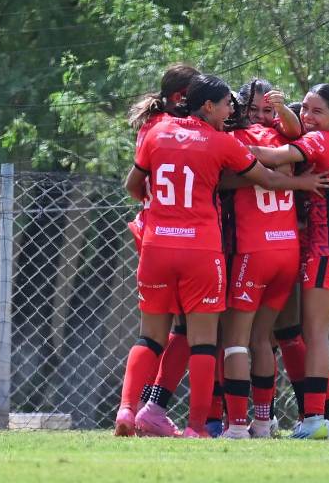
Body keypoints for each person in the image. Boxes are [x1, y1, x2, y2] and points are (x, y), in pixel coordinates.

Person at [123, 74, 329, 438]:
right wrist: (300, 182)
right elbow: (269, 172)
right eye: (230, 105)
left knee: (163, 337)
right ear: (205, 104)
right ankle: (249, 422)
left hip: (164, 244)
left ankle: (137, 410)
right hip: (241, 248)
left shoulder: (158, 131)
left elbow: (134, 185)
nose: (233, 112)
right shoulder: (240, 140)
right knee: (248, 337)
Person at [248, 83, 329, 440]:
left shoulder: (321, 140)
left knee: (316, 333)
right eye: (304, 108)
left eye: (316, 111)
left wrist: (228, 145)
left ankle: (314, 420)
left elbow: (274, 158)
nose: (307, 116)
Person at [115, 63, 200, 437]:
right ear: (183, 98)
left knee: (151, 333)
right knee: (185, 329)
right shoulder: (183, 129)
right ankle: (157, 409)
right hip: (183, 237)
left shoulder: (150, 127)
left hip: (149, 232)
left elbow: (134, 184)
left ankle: (128, 410)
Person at [218, 89, 302, 439]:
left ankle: (237, 424)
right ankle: (264, 422)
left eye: (267, 110)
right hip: (288, 250)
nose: (260, 116)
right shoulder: (284, 138)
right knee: (261, 340)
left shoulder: (232, 138)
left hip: (253, 251)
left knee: (234, 340)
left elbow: (221, 181)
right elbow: (294, 140)